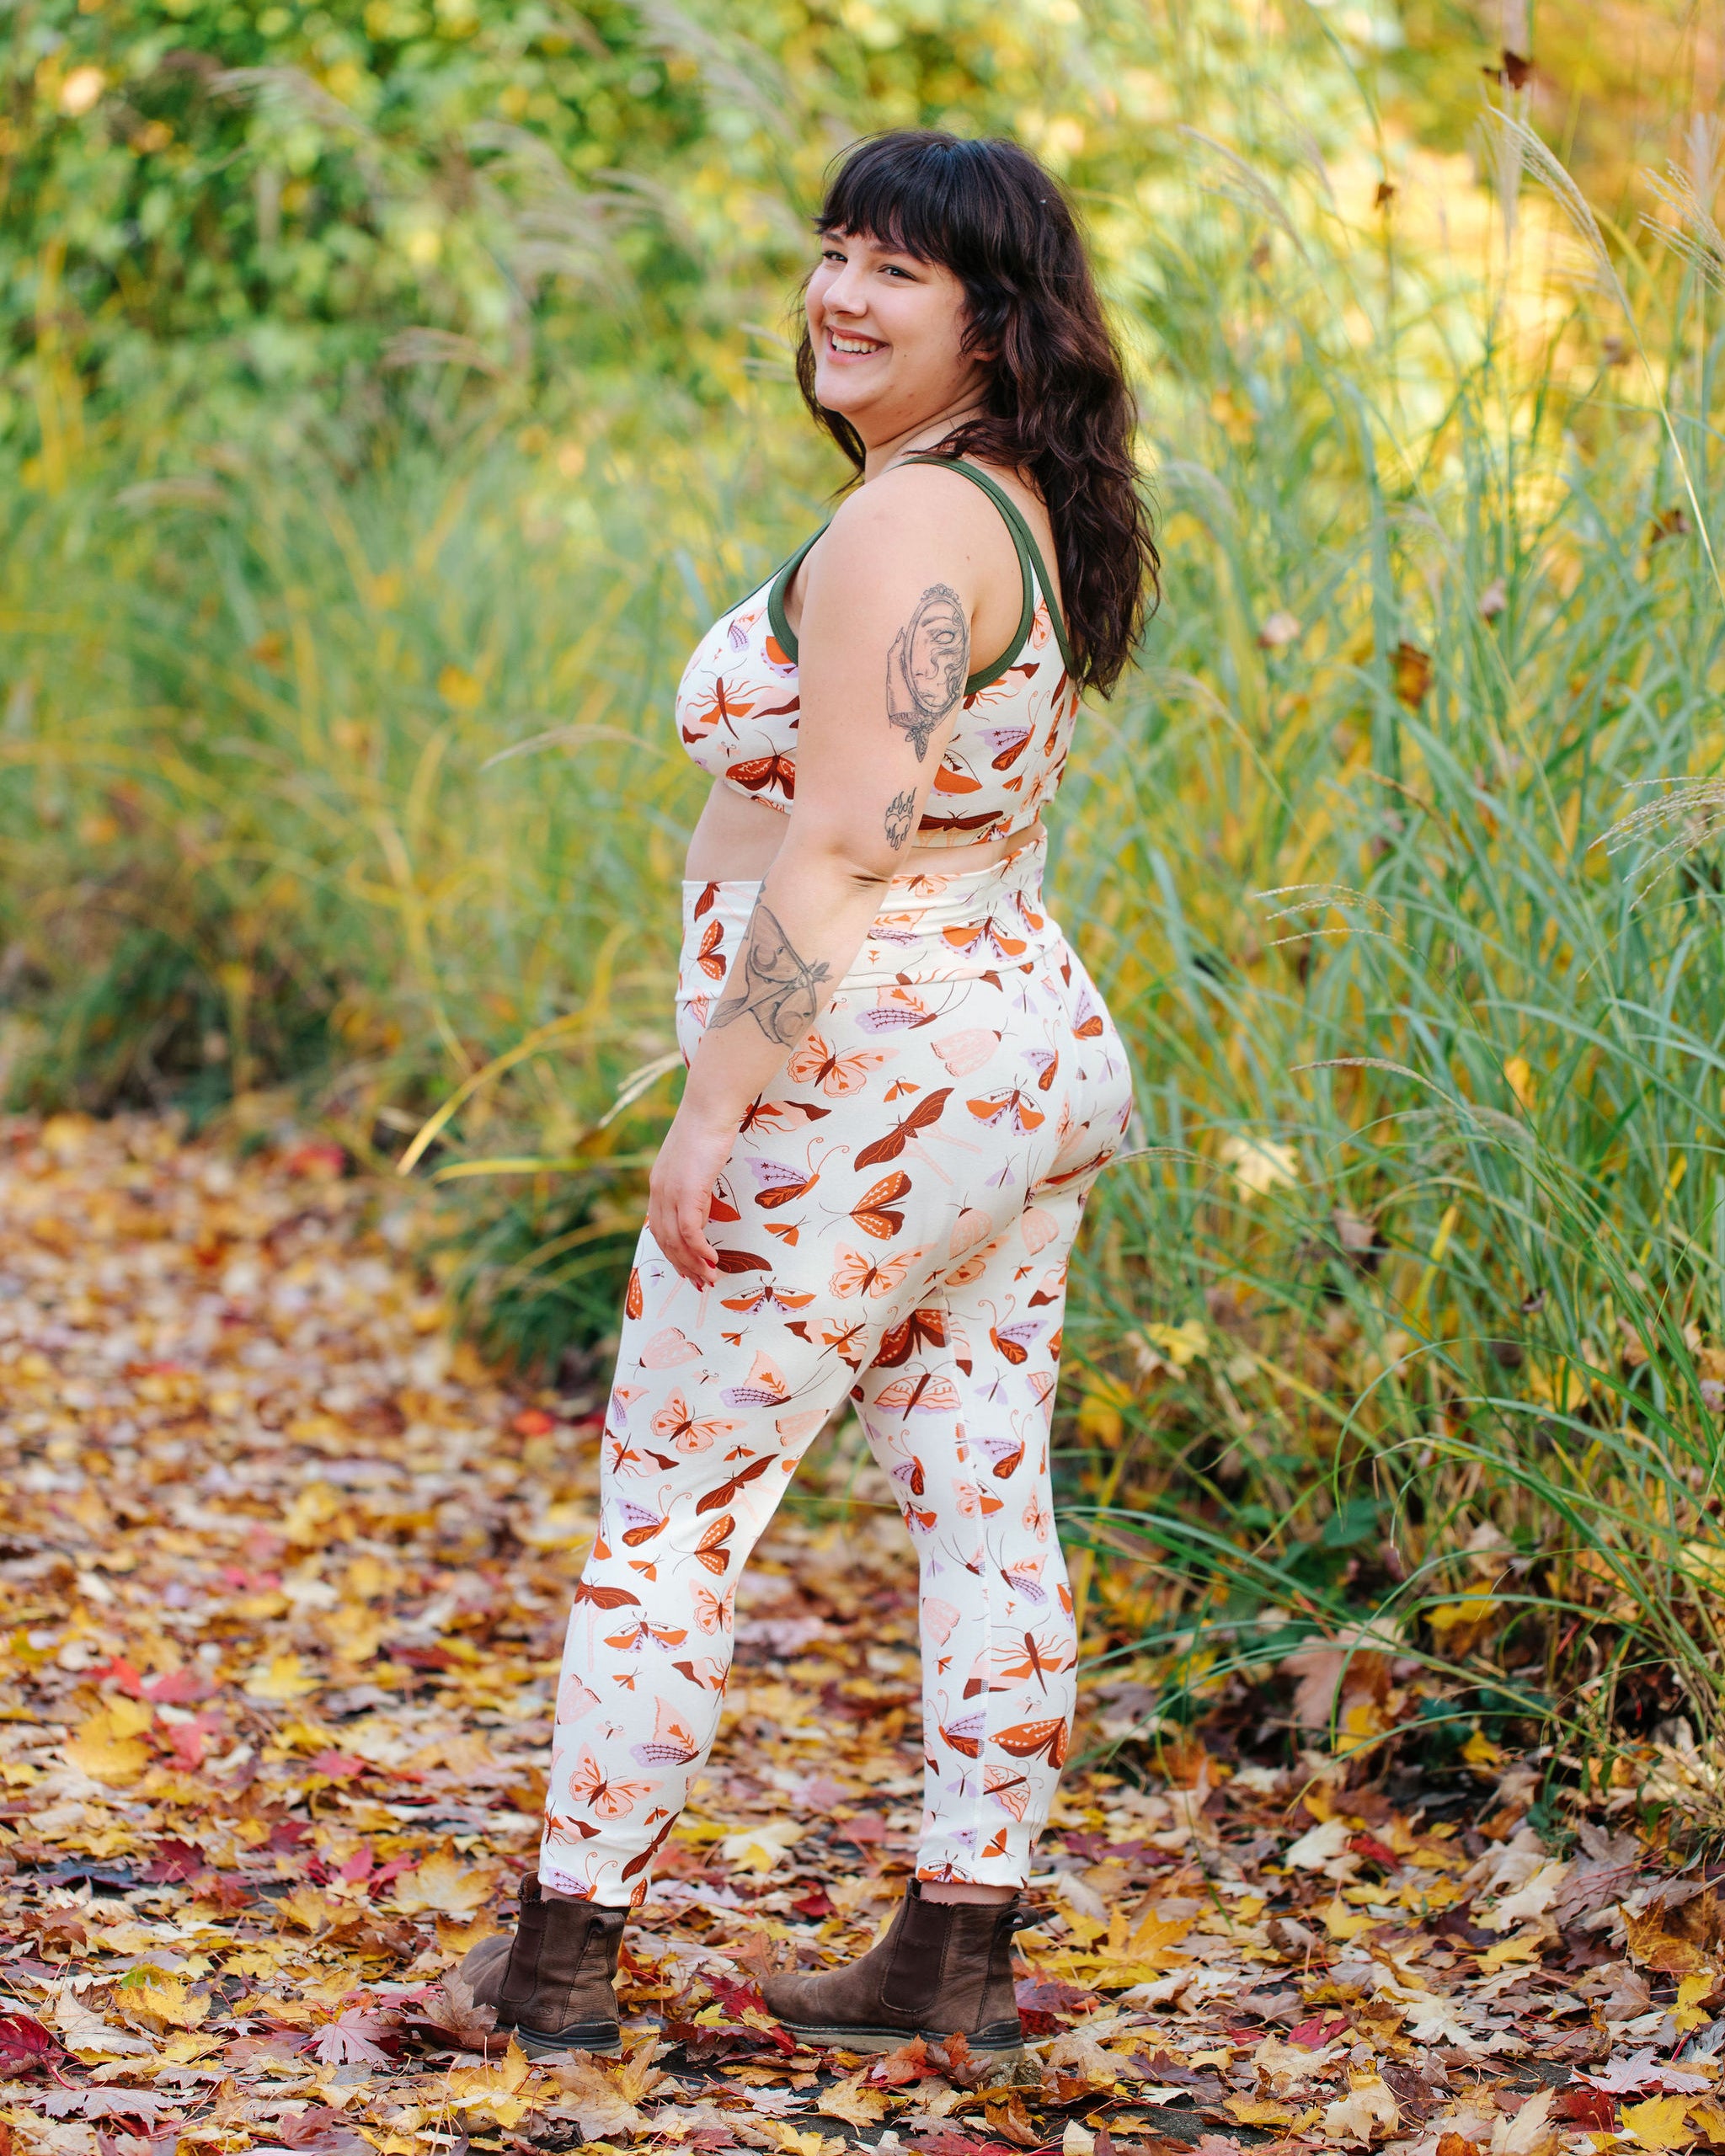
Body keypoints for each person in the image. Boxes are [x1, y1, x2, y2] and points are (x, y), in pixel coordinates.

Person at [462, 127, 1158, 2075]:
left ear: (995, 324)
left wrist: (714, 1108)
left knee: (670, 1509)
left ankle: (556, 1955)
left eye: (900, 271)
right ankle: (954, 1942)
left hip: (860, 1076)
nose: (840, 294)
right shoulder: (1015, 505)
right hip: (1012, 1047)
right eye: (833, 249)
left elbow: (843, 835)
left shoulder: (897, 529)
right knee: (981, 1491)